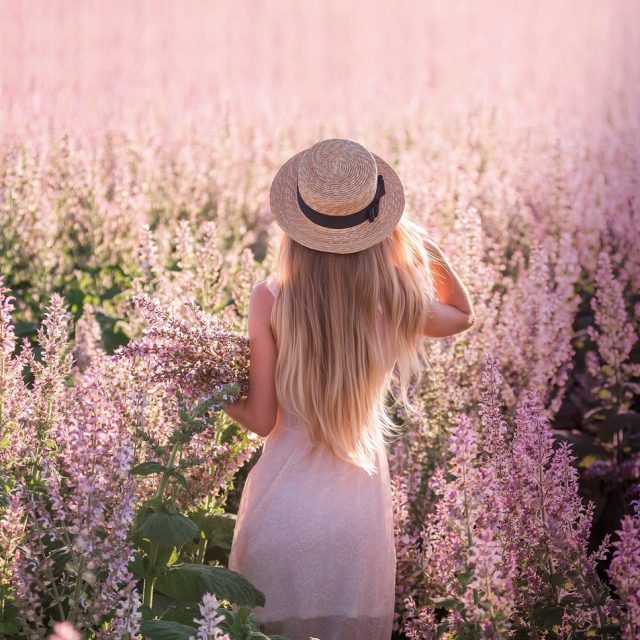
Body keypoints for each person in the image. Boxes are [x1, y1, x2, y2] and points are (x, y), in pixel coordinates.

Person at [223, 138, 474, 640]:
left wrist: (211, 387)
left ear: (294, 228)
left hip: (281, 513)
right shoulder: (396, 301)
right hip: (355, 522)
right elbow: (463, 315)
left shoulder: (270, 300)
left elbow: (262, 420)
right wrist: (418, 240)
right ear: (378, 228)